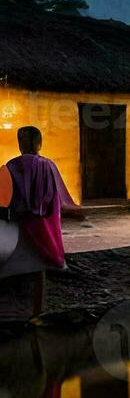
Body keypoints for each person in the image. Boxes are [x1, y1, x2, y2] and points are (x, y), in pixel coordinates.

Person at [2, 127, 81, 320]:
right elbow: (58, 198)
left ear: (20, 144)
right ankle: (37, 312)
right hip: (43, 226)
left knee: (12, 266)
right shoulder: (48, 166)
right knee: (40, 268)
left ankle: (10, 310)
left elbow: (3, 199)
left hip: (18, 225)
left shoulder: (10, 166)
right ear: (39, 143)